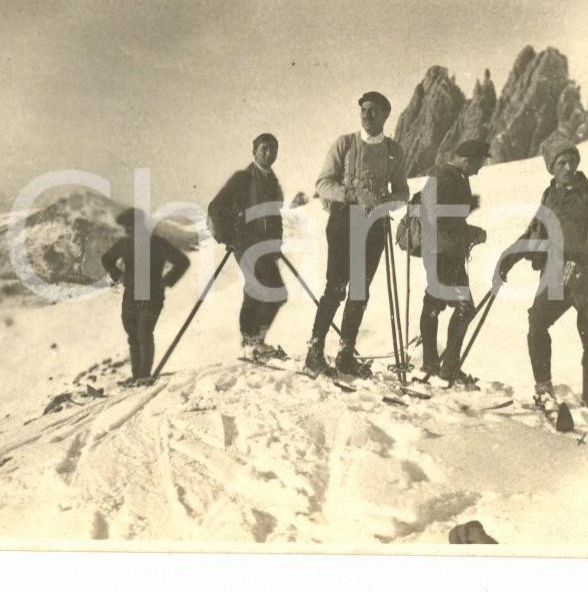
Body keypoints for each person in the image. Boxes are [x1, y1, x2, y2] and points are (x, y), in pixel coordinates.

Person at [305, 91, 410, 376]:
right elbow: (323, 184)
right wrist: (351, 193)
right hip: (343, 222)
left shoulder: (393, 151)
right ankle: (314, 352)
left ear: (386, 115)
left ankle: (345, 354)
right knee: (336, 287)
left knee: (359, 292)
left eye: (373, 110)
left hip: (374, 225)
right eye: (363, 109)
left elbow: (403, 192)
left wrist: (383, 202)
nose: (366, 114)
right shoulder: (345, 144)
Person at [498, 138, 588, 413]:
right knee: (537, 322)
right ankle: (543, 388)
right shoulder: (550, 196)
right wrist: (510, 256)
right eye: (561, 163)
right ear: (551, 169)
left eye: (572, 161)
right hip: (556, 276)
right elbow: (534, 231)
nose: (569, 167)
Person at [207, 133, 288, 359]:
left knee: (262, 291)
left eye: (273, 149)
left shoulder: (272, 180)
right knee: (274, 290)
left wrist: (276, 241)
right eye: (264, 149)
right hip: (246, 244)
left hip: (265, 246)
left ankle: (251, 341)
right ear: (254, 152)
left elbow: (275, 214)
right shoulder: (242, 178)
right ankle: (253, 341)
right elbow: (215, 208)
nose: (269, 153)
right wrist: (229, 237)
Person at [418, 139, 490, 384]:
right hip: (441, 252)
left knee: (435, 303)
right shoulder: (445, 176)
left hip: (447, 252)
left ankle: (435, 363)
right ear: (467, 160)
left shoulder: (456, 176)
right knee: (460, 307)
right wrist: (469, 230)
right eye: (479, 163)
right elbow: (437, 216)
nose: (480, 169)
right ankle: (445, 366)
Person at [101, 208, 190, 381]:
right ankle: (137, 376)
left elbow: (182, 262)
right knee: (133, 335)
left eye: (131, 226)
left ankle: (144, 375)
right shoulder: (125, 244)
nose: (128, 231)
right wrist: (118, 275)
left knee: (144, 334)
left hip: (153, 296)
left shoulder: (158, 244)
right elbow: (106, 259)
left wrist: (166, 281)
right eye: (126, 228)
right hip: (130, 296)